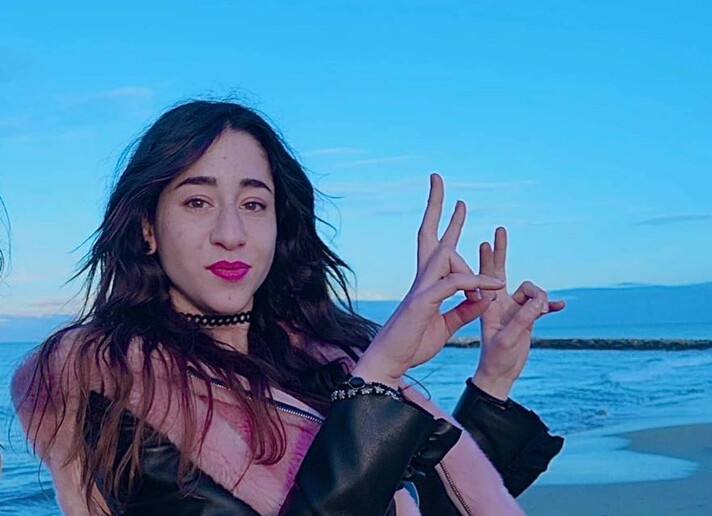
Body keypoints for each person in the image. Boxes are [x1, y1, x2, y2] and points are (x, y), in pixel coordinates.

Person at [12, 100, 564, 515]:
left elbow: (420, 503)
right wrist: (379, 376)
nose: (231, 233)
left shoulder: (319, 354)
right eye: (198, 201)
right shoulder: (116, 385)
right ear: (147, 229)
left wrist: (492, 380)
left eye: (254, 204)